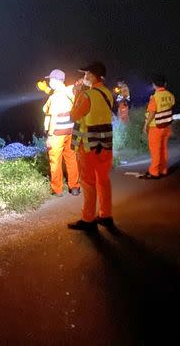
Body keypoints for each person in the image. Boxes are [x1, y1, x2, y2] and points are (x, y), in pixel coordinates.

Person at [68, 62, 114, 231]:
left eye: (86, 74)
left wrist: (77, 94)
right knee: (104, 180)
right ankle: (105, 215)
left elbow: (74, 115)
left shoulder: (86, 95)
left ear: (93, 76)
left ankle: (88, 219)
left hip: (88, 146)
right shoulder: (108, 93)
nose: (84, 77)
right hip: (106, 145)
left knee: (88, 182)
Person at [40, 69, 80, 197]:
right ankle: (74, 187)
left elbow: (53, 117)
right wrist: (47, 90)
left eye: (50, 80)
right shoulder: (70, 92)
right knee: (71, 158)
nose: (49, 82)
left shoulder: (55, 98)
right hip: (71, 131)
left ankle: (57, 189)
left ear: (55, 81)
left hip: (57, 133)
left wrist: (50, 136)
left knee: (55, 160)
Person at [139, 75, 175, 179]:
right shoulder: (170, 95)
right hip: (167, 126)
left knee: (155, 150)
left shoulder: (155, 98)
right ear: (165, 84)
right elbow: (170, 105)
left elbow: (152, 113)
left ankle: (154, 172)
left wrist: (146, 125)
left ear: (154, 85)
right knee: (163, 149)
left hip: (156, 127)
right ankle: (163, 170)